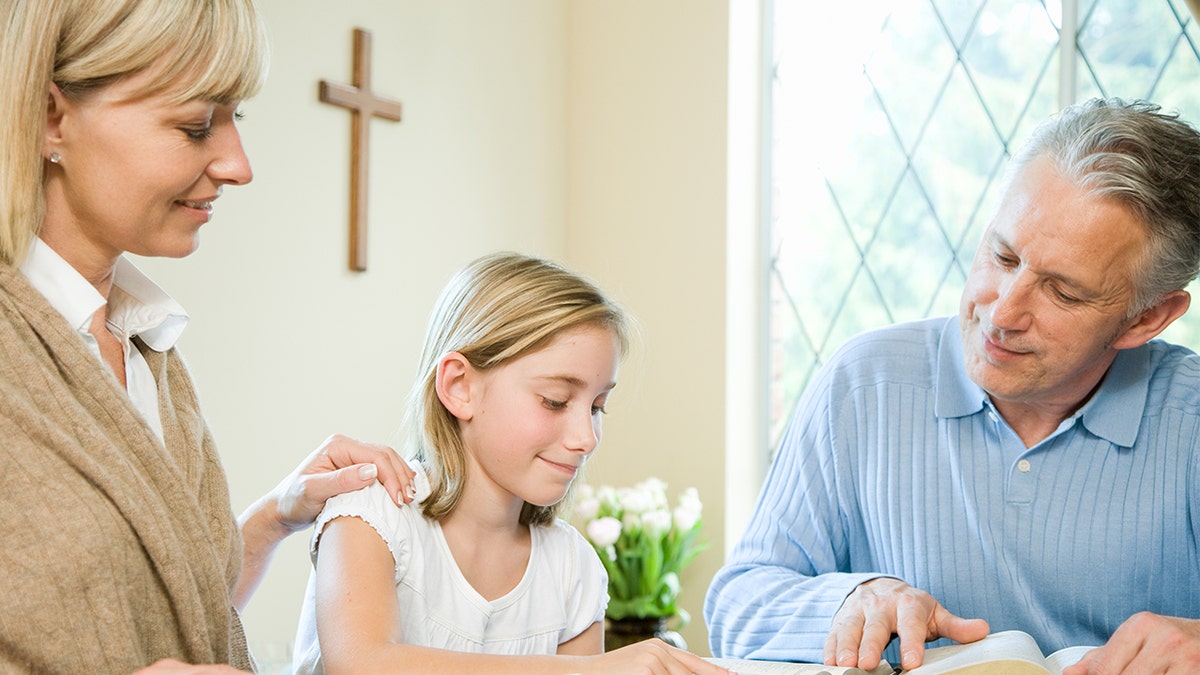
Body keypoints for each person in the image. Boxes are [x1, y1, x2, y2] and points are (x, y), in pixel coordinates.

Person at [704, 97, 1200, 675]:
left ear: (1148, 318)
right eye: (1003, 254)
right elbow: (737, 604)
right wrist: (849, 601)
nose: (1002, 311)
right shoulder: (862, 385)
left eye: (1063, 292)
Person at [0, 1, 416, 672]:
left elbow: (165, 605)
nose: (238, 165)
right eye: (196, 125)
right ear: (54, 118)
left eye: (235, 119)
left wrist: (274, 516)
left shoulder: (147, 345)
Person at [292, 252, 730, 675]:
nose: (586, 438)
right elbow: (363, 665)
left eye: (597, 407)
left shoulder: (570, 566)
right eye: (554, 401)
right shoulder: (372, 517)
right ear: (460, 387)